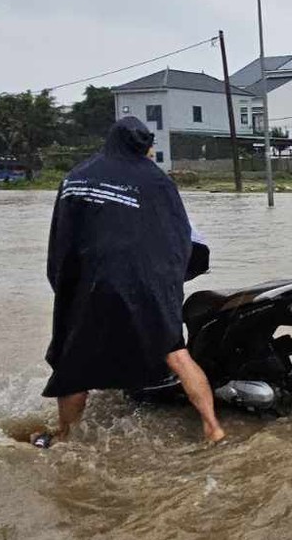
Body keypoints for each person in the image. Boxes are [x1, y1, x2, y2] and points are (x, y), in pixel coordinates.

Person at [37, 116, 225, 446]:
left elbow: (62, 239)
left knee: (74, 364)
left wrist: (62, 284)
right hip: (146, 286)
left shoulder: (77, 177)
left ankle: (65, 437)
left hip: (92, 287)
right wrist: (170, 281)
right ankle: (213, 427)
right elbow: (177, 235)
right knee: (176, 354)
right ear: (144, 145)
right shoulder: (157, 181)